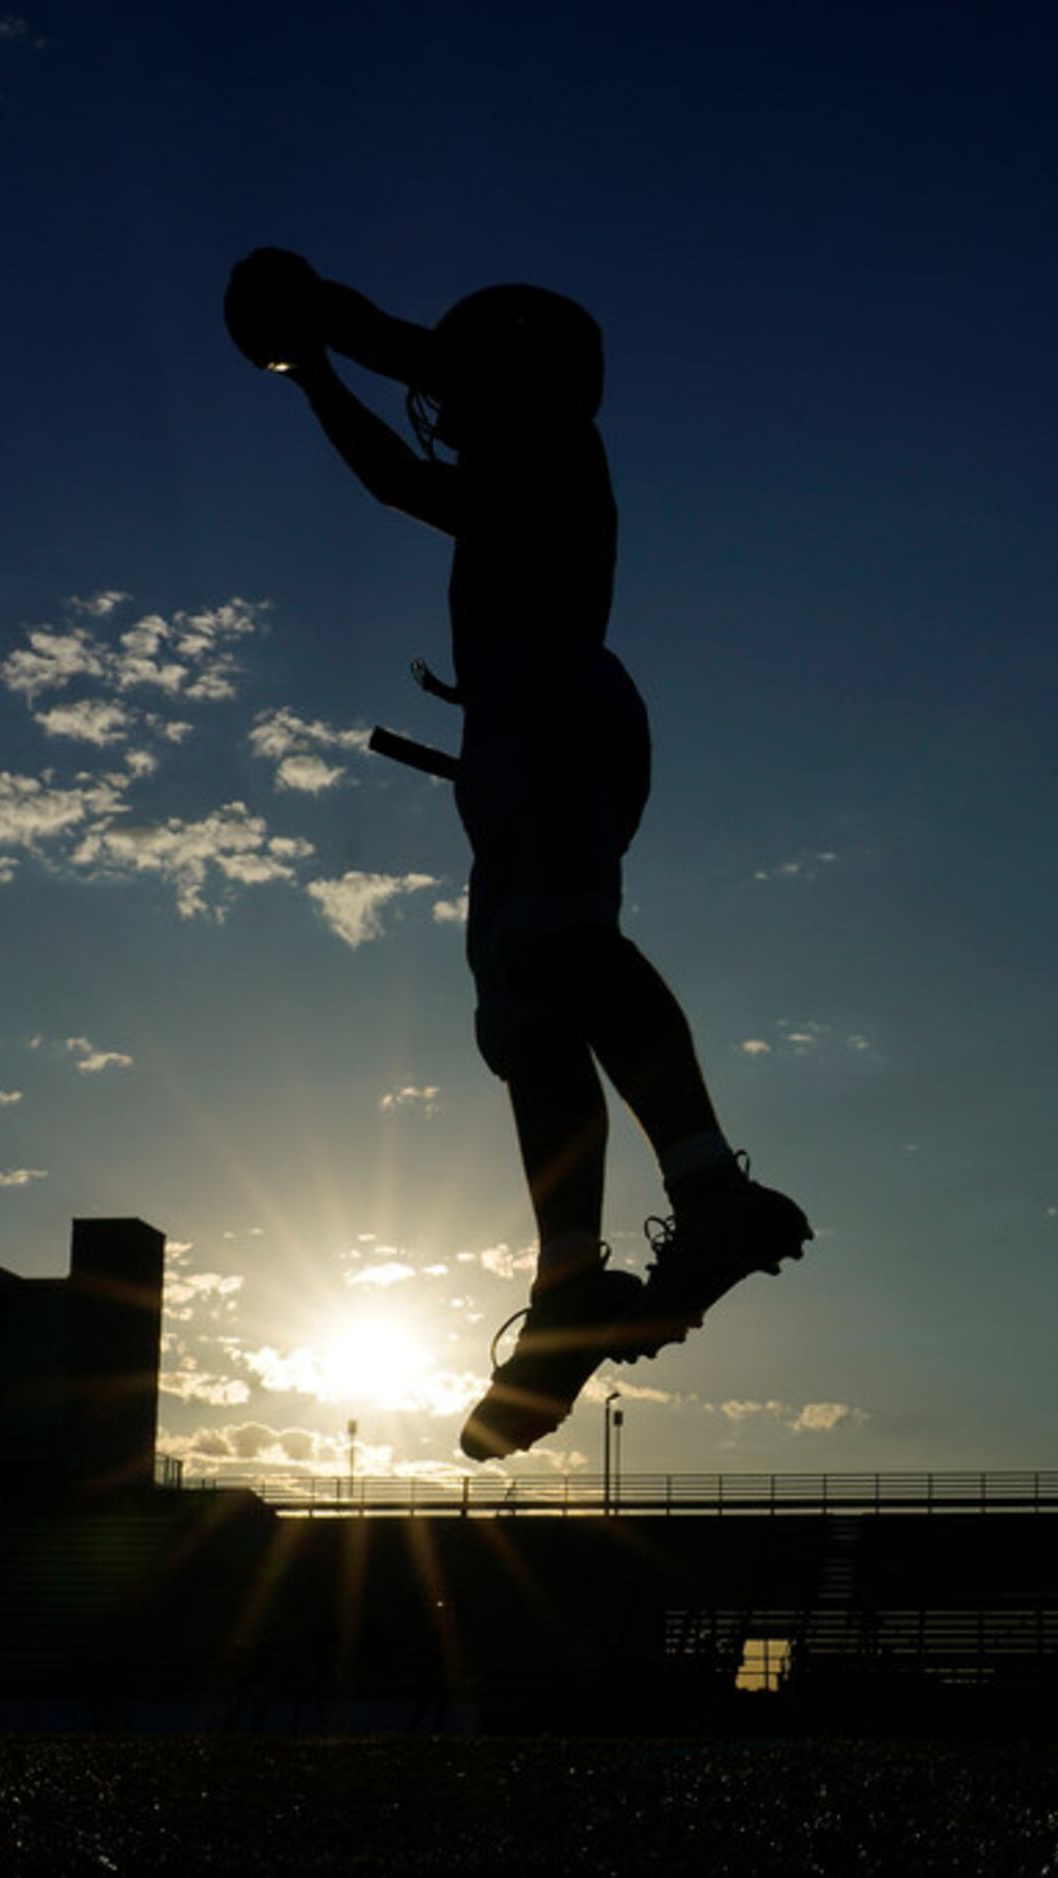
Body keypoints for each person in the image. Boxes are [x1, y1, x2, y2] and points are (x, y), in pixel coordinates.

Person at [226, 247, 814, 1460]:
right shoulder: (523, 454)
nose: (443, 402)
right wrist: (314, 353)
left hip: (542, 690)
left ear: (510, 371)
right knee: (520, 1011)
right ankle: (567, 1287)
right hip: (516, 711)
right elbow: (406, 444)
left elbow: (407, 425)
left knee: (561, 941)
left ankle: (710, 1191)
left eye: (464, 375)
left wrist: (319, 334)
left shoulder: (544, 436)